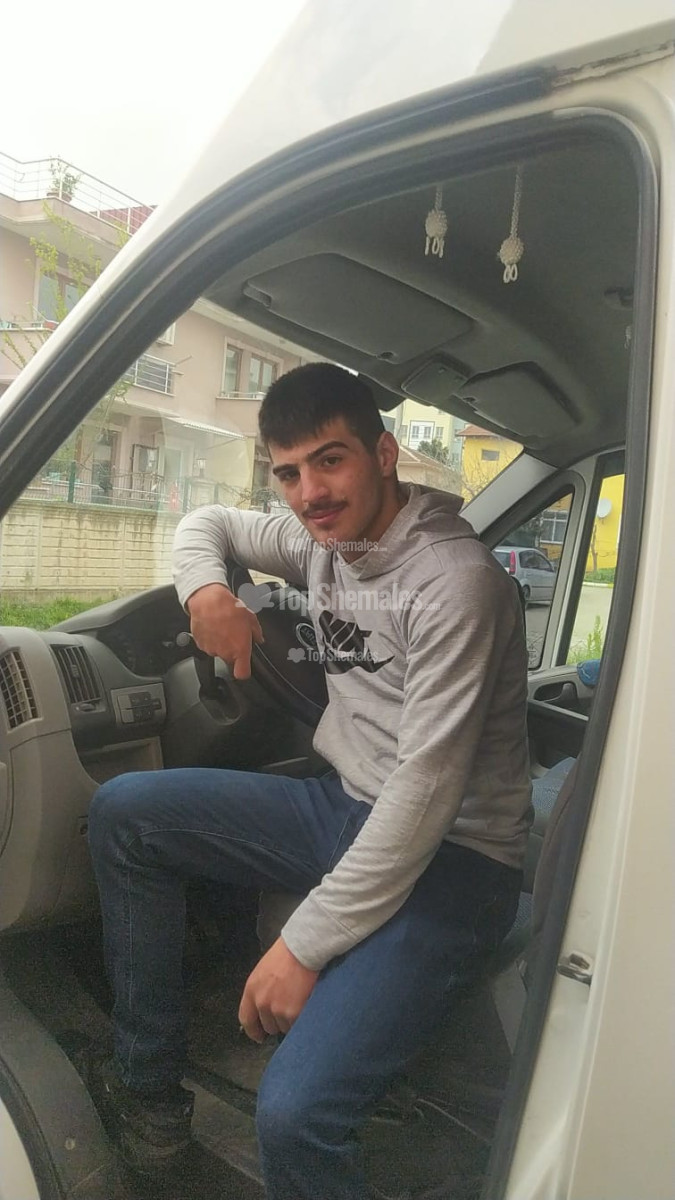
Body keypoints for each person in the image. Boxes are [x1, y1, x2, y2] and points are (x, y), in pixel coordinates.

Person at [87, 363, 531, 1200]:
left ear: (383, 455)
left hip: (458, 858)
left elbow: (424, 792)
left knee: (294, 1117)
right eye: (287, 473)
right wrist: (205, 591)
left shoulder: (455, 583)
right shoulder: (321, 544)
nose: (308, 494)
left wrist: (301, 946)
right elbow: (208, 519)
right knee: (125, 814)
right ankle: (148, 1093)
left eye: (330, 461)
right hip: (343, 807)